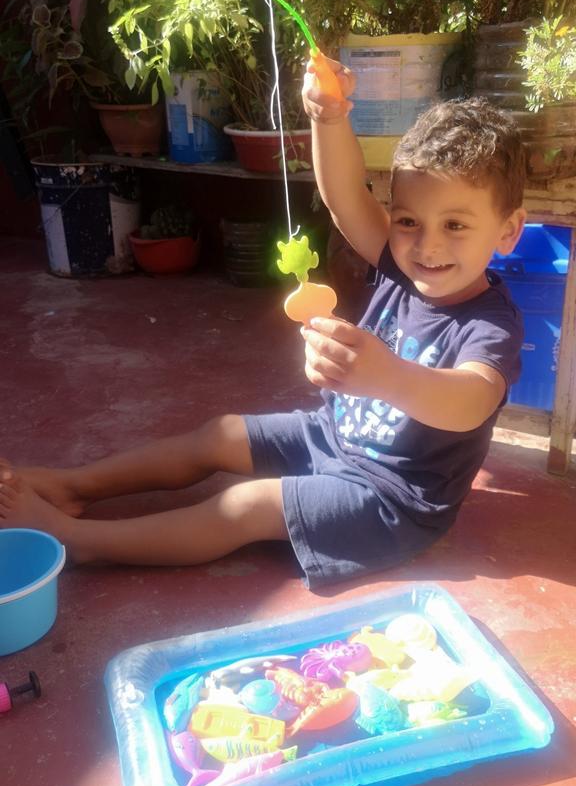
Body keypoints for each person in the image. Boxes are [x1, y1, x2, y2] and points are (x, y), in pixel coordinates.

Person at [0, 60, 527, 588]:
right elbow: (346, 197)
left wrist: (388, 377)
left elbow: (471, 401)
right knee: (220, 435)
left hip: (391, 499)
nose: (427, 245)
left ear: (508, 231)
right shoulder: (400, 262)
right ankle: (76, 486)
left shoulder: (490, 323)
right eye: (409, 220)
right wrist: (327, 117)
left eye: (455, 225)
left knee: (248, 505)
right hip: (330, 436)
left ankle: (77, 540)